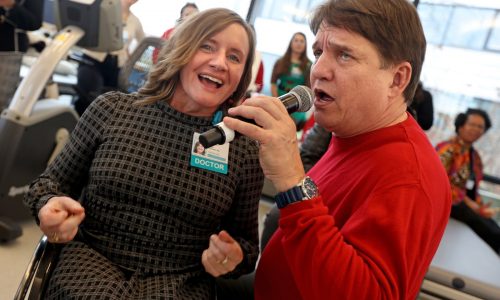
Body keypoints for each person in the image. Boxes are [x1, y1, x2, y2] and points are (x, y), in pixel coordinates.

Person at [24, 8, 264, 299]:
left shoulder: (242, 150)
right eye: (207, 46)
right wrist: (48, 205)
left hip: (179, 281)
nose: (219, 63)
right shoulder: (112, 110)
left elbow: (249, 248)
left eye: (234, 57)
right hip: (90, 263)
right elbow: (47, 185)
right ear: (181, 50)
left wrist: (233, 256)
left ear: (241, 78)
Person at [223, 0, 451, 298]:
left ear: (397, 79)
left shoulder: (409, 177)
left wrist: (293, 182)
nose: (318, 70)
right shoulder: (348, 135)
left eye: (344, 55)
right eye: (318, 53)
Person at [436, 108, 500, 254]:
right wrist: (469, 203)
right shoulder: (448, 148)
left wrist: (480, 206)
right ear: (461, 125)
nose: (476, 130)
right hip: (447, 202)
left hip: (463, 203)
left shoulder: (474, 156)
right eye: (472, 124)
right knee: (493, 233)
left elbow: (471, 188)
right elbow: (439, 183)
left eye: (480, 127)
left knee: (494, 227)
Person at [74, 0, 145, 115]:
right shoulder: (101, 9)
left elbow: (143, 43)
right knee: (89, 97)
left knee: (108, 102)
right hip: (93, 58)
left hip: (116, 65)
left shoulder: (135, 21)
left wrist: (131, 56)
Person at [270, 32, 312, 130]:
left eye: (302, 41)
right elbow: (273, 83)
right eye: (296, 40)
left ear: (305, 45)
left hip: (297, 104)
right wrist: (277, 102)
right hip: (279, 99)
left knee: (287, 127)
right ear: (291, 43)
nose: (298, 43)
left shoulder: (309, 65)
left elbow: (308, 88)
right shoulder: (280, 61)